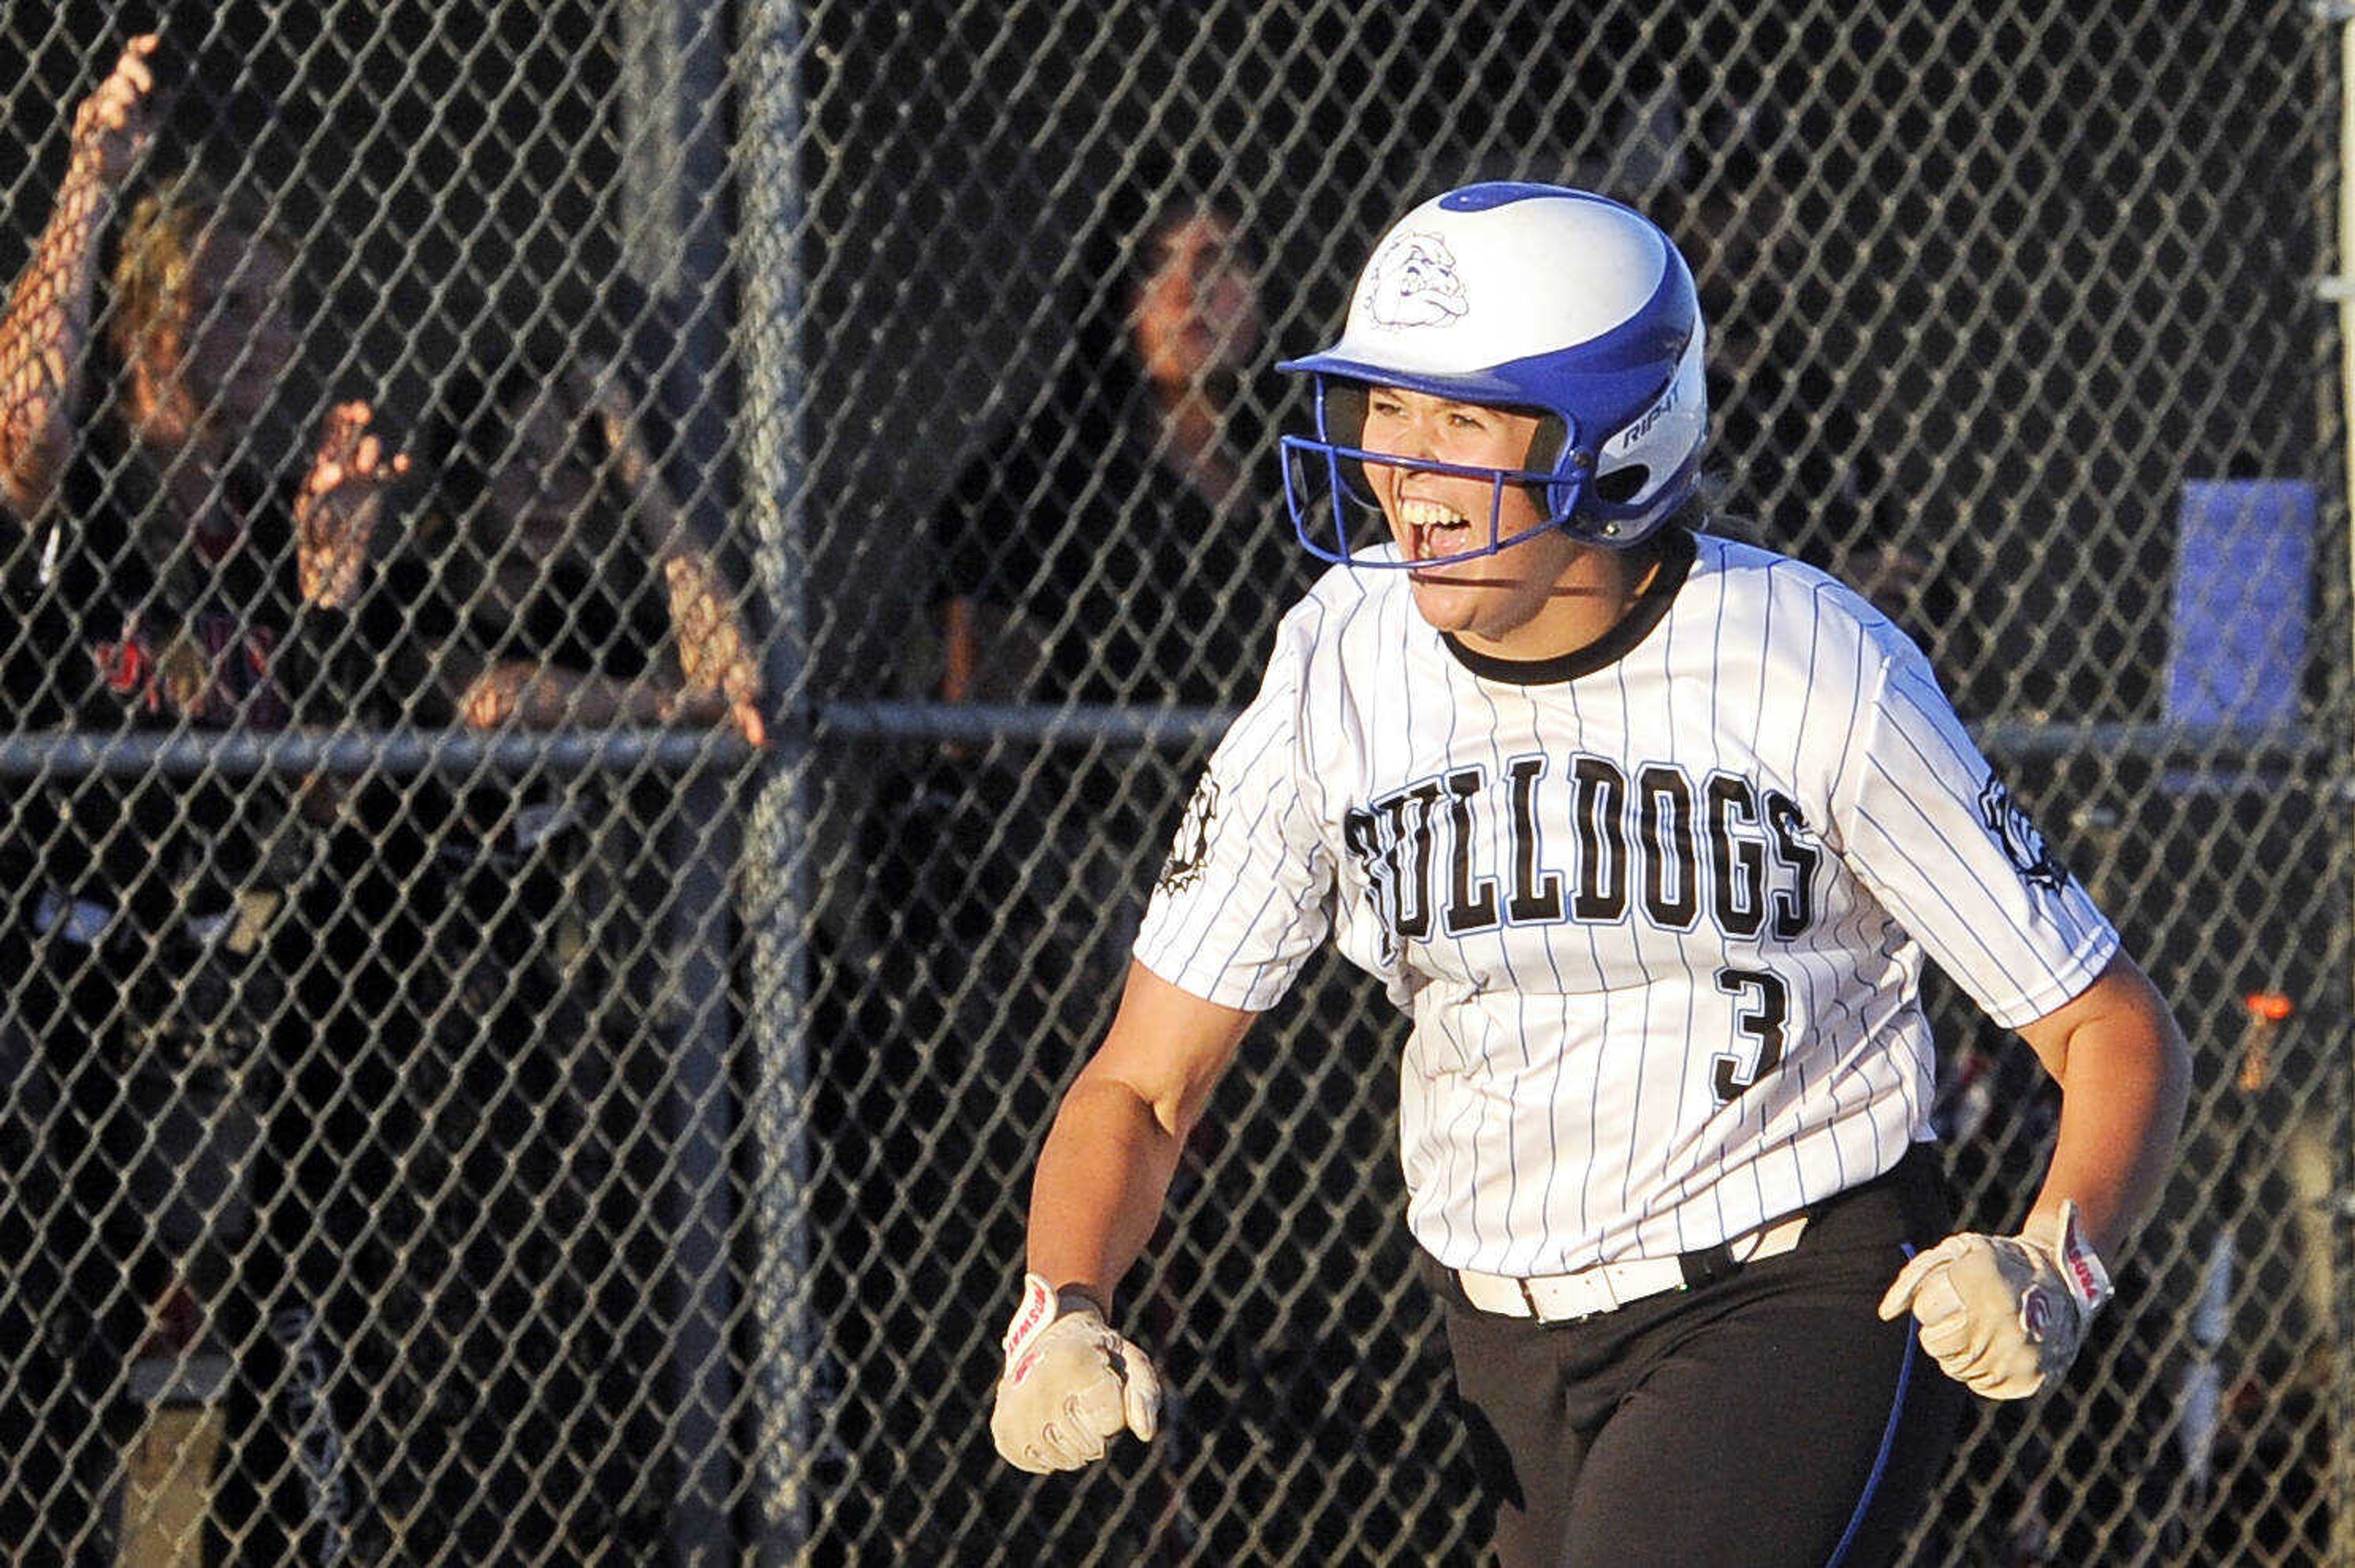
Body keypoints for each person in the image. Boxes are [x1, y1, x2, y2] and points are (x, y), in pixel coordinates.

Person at [986, 183, 2191, 1568]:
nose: (1403, 467)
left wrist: (2056, 1263)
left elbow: (2111, 1028)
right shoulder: (1341, 663)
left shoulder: (1808, 664)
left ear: (1617, 442)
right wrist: (1059, 1303)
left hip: (1791, 1296)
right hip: (1497, 1337)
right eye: (1386, 405)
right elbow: (1143, 1082)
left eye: (1466, 417)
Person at [0, 35, 426, 1561]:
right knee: (38, 1368)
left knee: (134, 1380)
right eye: (225, 305)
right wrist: (92, 181)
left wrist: (329, 594)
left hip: (198, 992)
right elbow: (21, 432)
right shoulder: (97, 483)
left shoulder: (262, 522)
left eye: (279, 310)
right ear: (145, 319)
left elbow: (314, 795)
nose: (264, 339)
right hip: (47, 974)